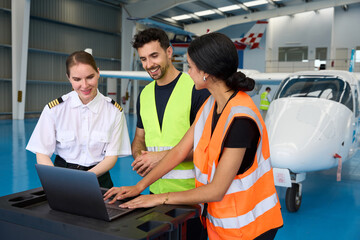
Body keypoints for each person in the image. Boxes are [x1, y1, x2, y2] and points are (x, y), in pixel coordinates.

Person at [104, 33, 283, 239]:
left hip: (252, 225)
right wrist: (140, 187)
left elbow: (216, 190)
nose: (187, 73)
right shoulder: (211, 105)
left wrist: (159, 199)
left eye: (190, 67)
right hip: (224, 221)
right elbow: (180, 151)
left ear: (206, 71)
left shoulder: (240, 118)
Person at [130, 28, 209, 240]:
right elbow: (139, 138)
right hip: (155, 194)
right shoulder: (144, 94)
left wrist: (159, 157)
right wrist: (140, 157)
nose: (149, 65)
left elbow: (206, 147)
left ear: (169, 52)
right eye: (143, 59)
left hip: (190, 197)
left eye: (154, 56)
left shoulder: (196, 89)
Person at [26, 50, 131, 189]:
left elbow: (111, 158)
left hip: (99, 180)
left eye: (90, 77)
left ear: (98, 73)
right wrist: (55, 179)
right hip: (61, 178)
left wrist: (84, 180)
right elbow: (42, 153)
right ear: (68, 78)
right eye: (77, 79)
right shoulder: (55, 109)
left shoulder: (114, 112)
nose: (85, 85)